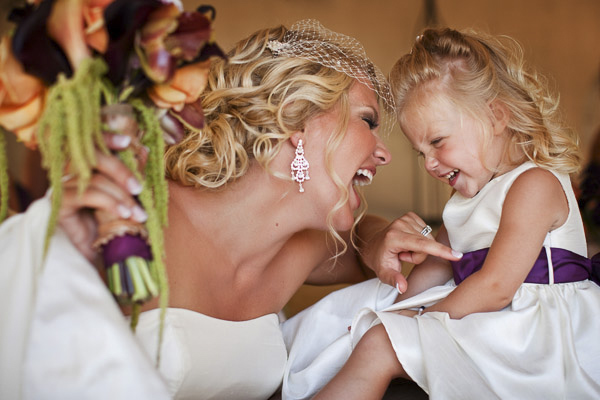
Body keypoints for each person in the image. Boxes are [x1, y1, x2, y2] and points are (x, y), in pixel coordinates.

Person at [0, 20, 461, 399]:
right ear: (297, 120)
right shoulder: (135, 216)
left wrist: (380, 237)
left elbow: (364, 241)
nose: (385, 154)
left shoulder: (308, 245)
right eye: (367, 121)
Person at [283, 27, 600, 400]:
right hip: (493, 317)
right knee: (369, 328)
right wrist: (400, 311)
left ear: (497, 117)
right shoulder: (466, 198)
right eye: (421, 152)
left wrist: (418, 321)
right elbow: (437, 266)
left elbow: (497, 287)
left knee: (381, 345)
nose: (430, 163)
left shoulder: (535, 184)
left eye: (437, 141)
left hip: (537, 333)